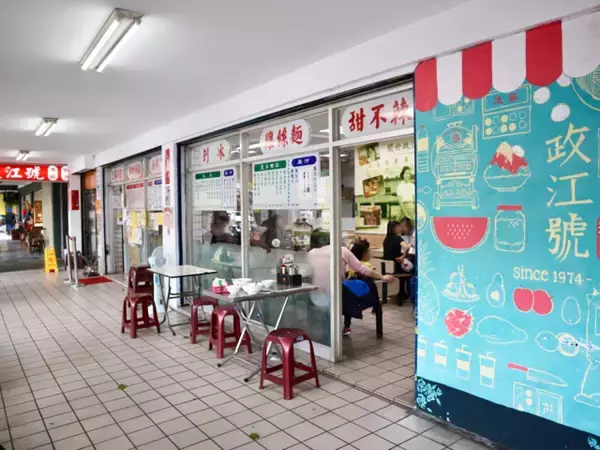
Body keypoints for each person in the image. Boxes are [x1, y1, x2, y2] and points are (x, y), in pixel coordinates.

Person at [308, 233, 395, 336]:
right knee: (365, 288)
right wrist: (382, 277)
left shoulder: (311, 253)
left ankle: (333, 328)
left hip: (314, 298)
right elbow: (362, 269)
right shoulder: (341, 250)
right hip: (337, 300)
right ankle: (373, 309)